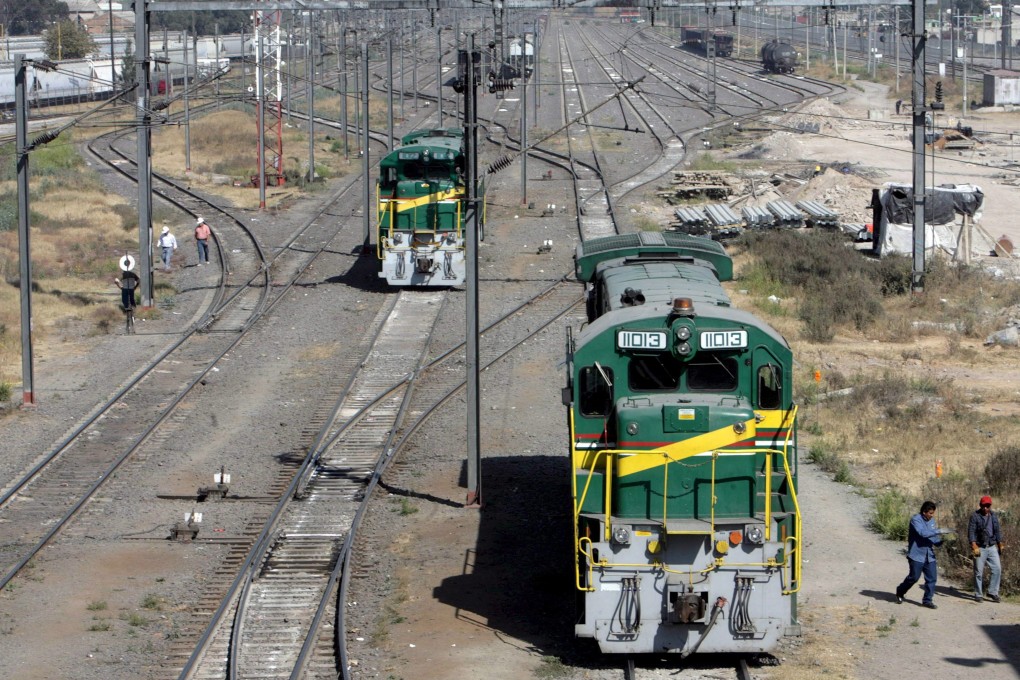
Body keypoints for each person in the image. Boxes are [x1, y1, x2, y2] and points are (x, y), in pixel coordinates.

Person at [895, 500, 950, 609]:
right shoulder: (915, 520)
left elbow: (933, 536)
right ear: (924, 512)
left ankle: (927, 600)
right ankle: (900, 591)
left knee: (932, 578)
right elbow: (922, 533)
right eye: (930, 513)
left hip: (929, 555)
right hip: (916, 555)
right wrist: (939, 531)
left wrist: (940, 542)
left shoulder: (932, 521)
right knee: (914, 577)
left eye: (933, 513)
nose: (932, 515)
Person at [968, 495, 1003, 603]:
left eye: (987, 506)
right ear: (980, 505)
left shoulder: (993, 516)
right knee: (978, 572)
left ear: (990, 506)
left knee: (997, 569)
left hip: (991, 546)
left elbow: (997, 530)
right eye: (983, 506)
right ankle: (978, 594)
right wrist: (973, 545)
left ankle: (992, 592)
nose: (985, 508)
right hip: (980, 547)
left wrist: (1000, 543)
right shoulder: (975, 516)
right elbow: (971, 531)